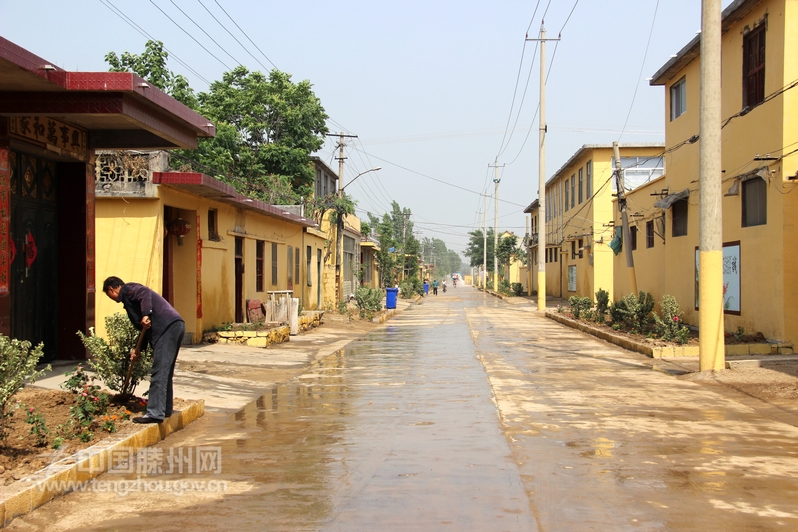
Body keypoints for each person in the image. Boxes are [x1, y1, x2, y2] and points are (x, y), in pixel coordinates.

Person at [103, 276, 185, 424]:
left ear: (111, 289)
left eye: (110, 296)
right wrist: (138, 349)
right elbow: (144, 330)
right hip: (174, 326)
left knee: (159, 372)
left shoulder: (128, 289)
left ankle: (154, 413)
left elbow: (144, 292)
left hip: (166, 328)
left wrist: (146, 314)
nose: (113, 299)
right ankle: (164, 409)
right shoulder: (129, 301)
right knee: (165, 372)